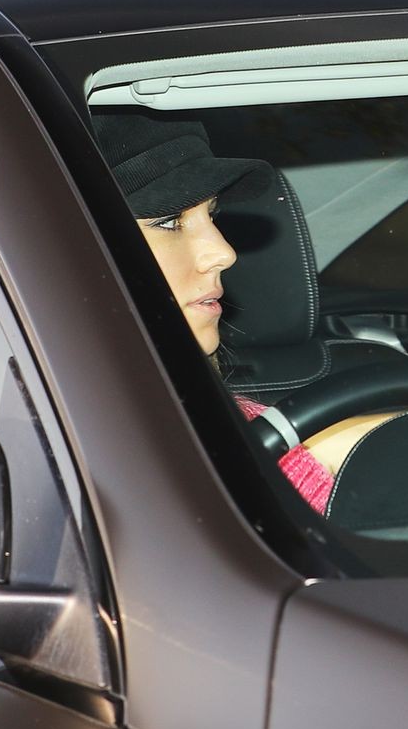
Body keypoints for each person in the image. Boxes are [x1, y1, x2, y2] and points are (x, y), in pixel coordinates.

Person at [94, 113, 379, 512]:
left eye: (212, 215)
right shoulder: (73, 450)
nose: (224, 253)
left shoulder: (231, 418)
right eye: (169, 221)